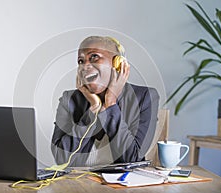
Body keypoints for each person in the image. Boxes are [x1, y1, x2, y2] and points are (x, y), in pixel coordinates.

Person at [51, 36, 159, 167]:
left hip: (124, 185)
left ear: (117, 64)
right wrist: (93, 109)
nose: (85, 66)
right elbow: (62, 159)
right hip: (79, 184)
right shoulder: (69, 100)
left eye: (94, 57)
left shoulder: (144, 97)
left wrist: (110, 103)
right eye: (80, 61)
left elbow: (132, 159)